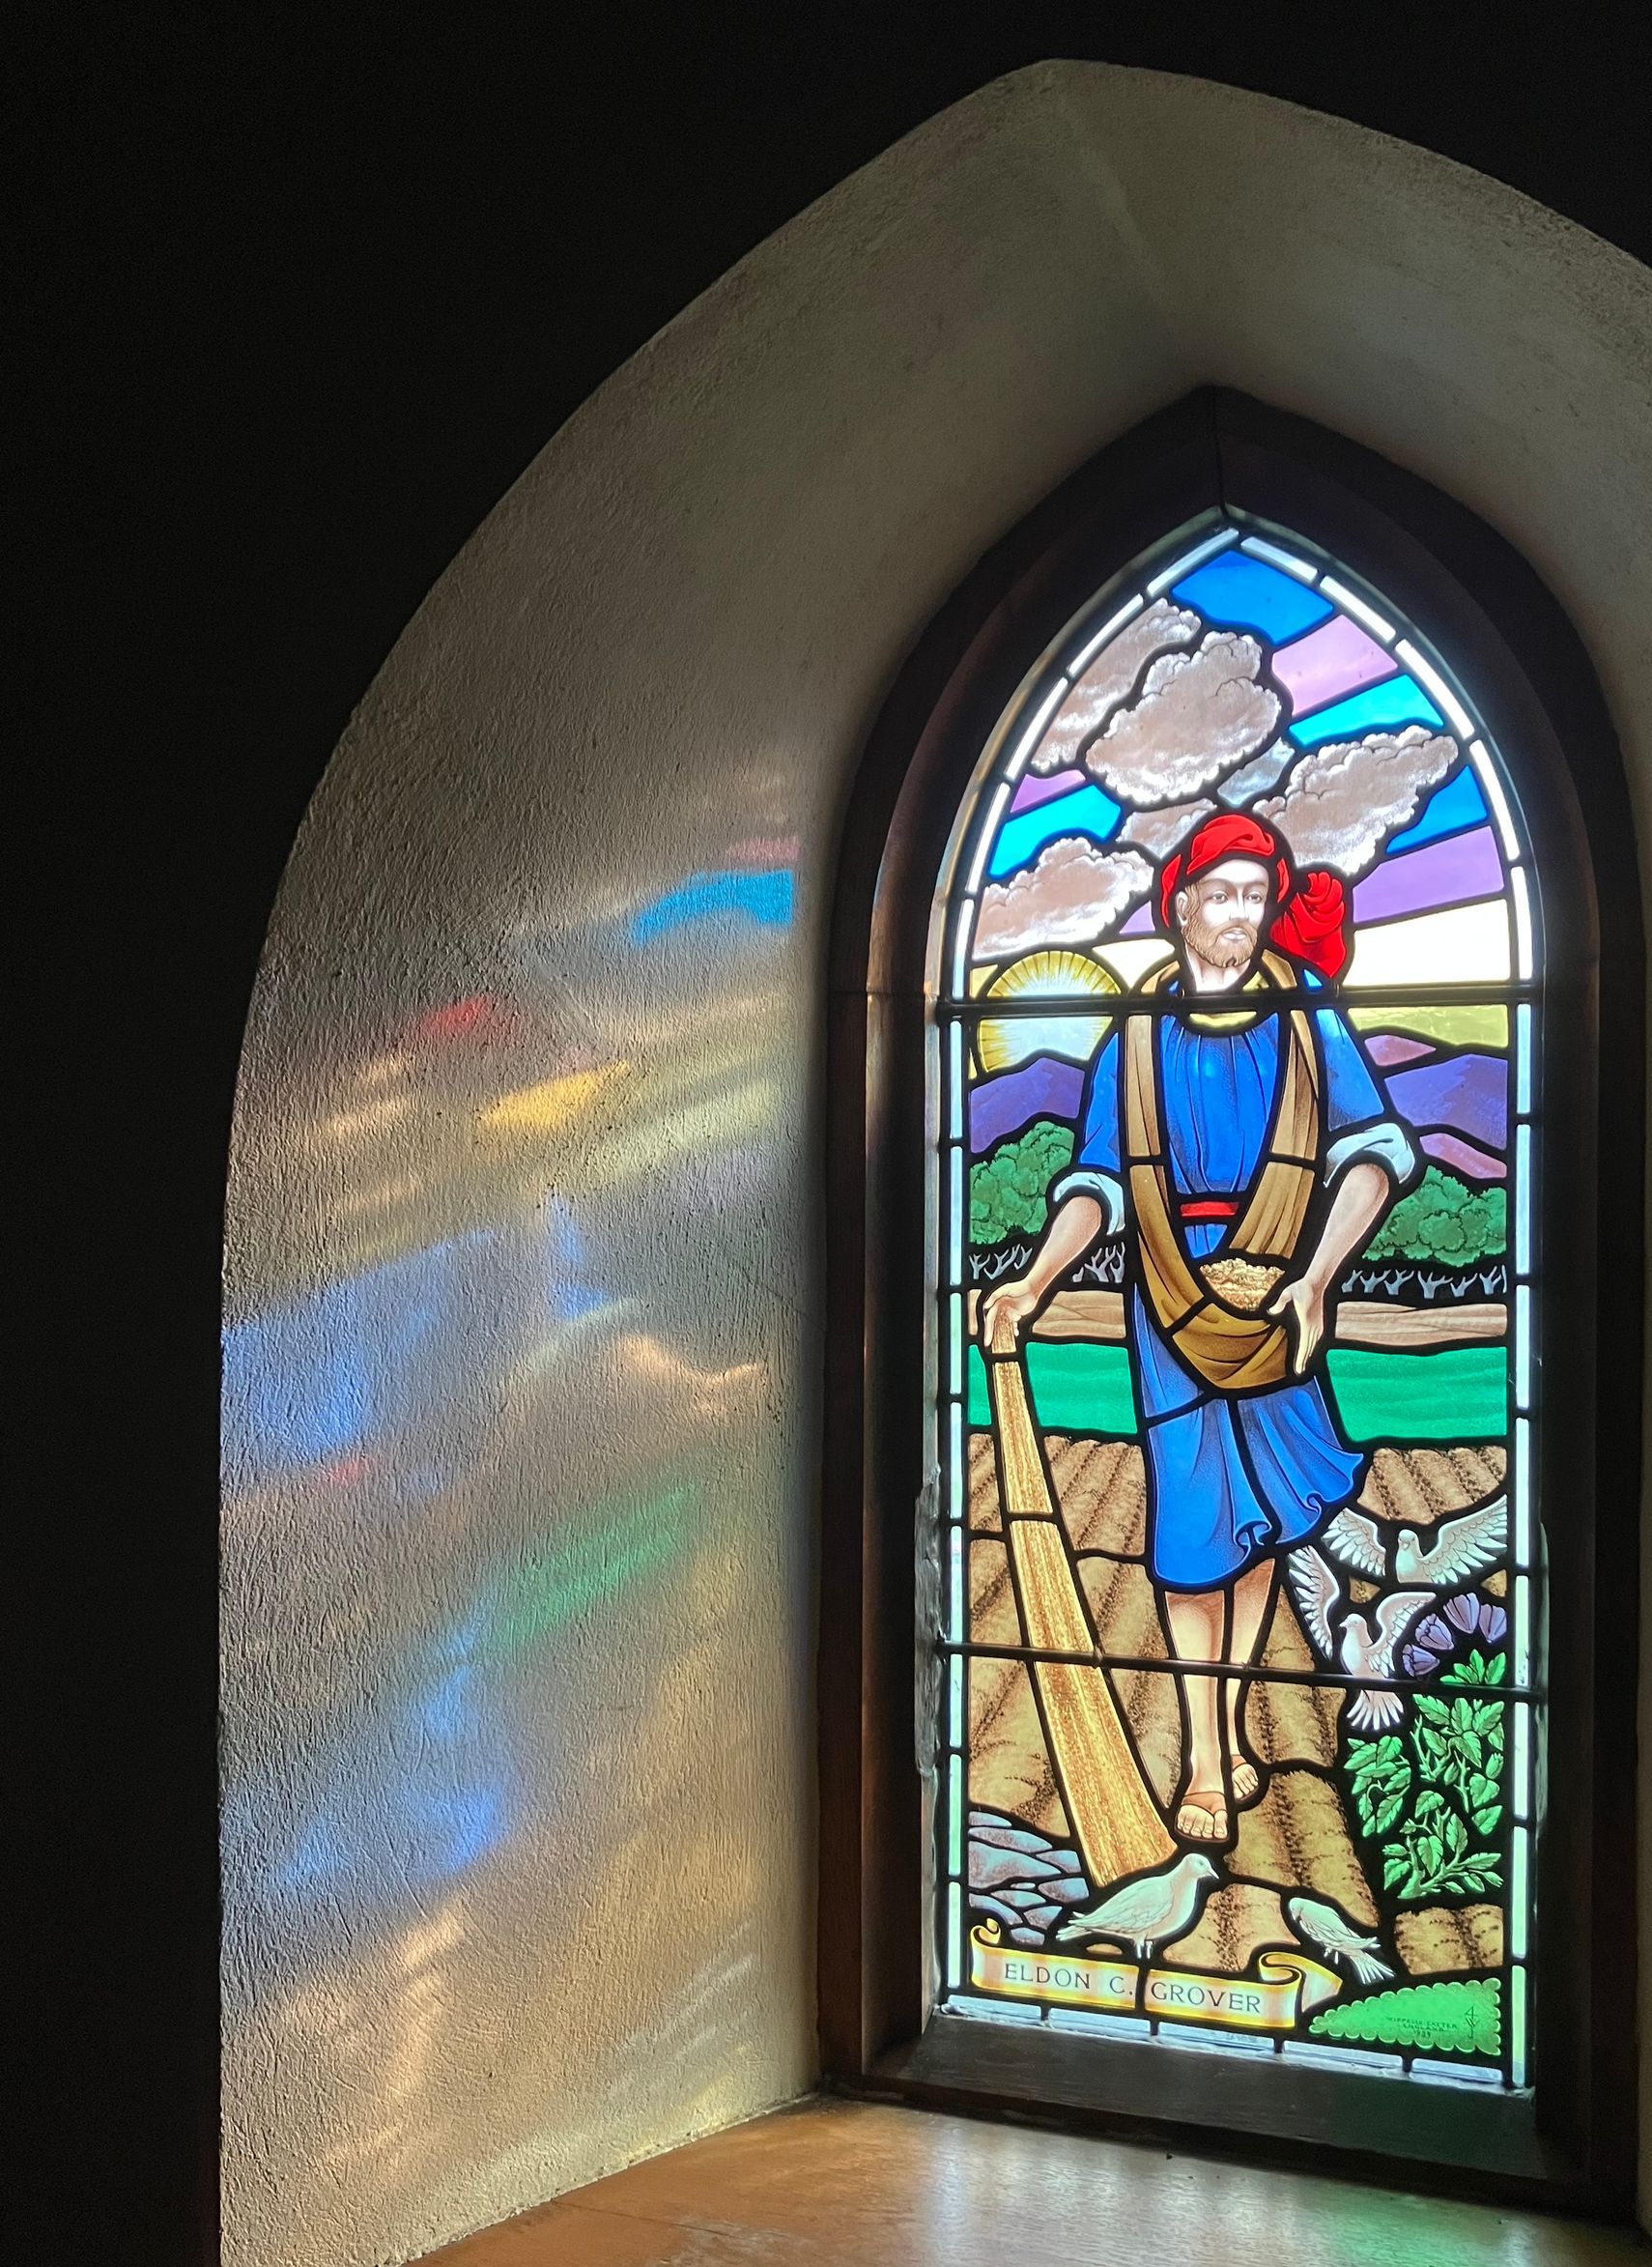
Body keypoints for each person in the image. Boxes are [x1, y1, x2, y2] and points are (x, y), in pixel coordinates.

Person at [981, 813, 1415, 1843]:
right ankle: (1208, 1762)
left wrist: (1315, 1279)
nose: (1240, 916)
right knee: (1189, 1538)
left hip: (1281, 1303)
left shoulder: (1304, 1015)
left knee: (1255, 1525)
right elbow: (1098, 1182)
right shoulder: (1135, 1039)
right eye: (1220, 896)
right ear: (1178, 908)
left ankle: (1221, 1728)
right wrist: (1035, 1282)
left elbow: (1376, 1149)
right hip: (1168, 1302)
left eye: (1255, 898)